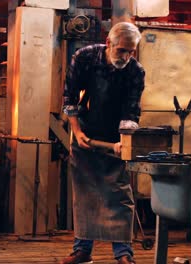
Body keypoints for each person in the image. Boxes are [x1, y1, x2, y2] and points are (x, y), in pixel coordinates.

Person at [60, 22, 145, 264]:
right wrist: (76, 131)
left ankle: (123, 253)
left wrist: (124, 143)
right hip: (85, 131)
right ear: (108, 43)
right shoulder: (85, 58)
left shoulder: (135, 72)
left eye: (131, 52)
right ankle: (83, 250)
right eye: (121, 51)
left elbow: (131, 112)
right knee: (85, 191)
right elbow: (70, 96)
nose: (126, 57)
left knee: (118, 193)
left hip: (115, 136)